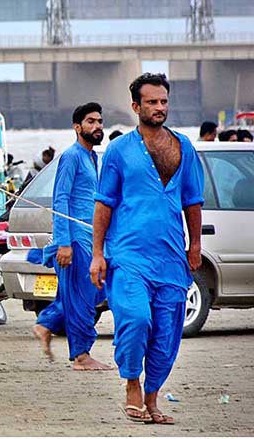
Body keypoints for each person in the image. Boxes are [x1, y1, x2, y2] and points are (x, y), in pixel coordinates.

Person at [91, 73, 204, 425]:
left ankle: (153, 399)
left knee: (167, 333)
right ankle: (131, 384)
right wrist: (97, 254)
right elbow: (103, 204)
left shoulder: (184, 146)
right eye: (152, 102)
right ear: (136, 106)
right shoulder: (119, 150)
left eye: (164, 101)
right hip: (129, 255)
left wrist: (195, 245)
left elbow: (193, 202)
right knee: (137, 319)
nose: (159, 108)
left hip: (172, 257)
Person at [32, 102, 112, 371]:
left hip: (91, 238)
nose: (97, 126)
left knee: (89, 293)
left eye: (99, 121)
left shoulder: (93, 158)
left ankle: (47, 324)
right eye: (90, 121)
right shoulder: (72, 156)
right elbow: (61, 198)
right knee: (82, 297)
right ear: (77, 127)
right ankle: (81, 356)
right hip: (75, 239)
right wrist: (64, 242)